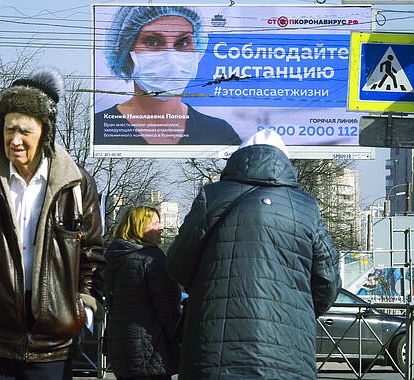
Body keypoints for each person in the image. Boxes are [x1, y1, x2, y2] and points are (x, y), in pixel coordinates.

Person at [0, 67, 105, 379]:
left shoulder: (75, 185)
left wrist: (83, 307)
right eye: (9, 129)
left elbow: (91, 255)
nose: (15, 140)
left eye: (25, 131)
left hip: (53, 344)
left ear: (45, 132)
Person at [166, 129, 341, 379]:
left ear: (239, 158)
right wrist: (294, 307)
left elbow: (177, 265)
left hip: (214, 350)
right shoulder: (306, 207)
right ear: (285, 162)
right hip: (287, 353)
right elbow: (327, 283)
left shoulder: (211, 197)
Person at [94, 6, 241, 145]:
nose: (171, 58)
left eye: (183, 42)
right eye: (152, 41)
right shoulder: (100, 129)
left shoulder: (220, 133)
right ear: (126, 51)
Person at [104, 206, 181, 380]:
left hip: (120, 343)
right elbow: (167, 308)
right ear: (139, 226)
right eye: (155, 223)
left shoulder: (114, 256)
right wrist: (179, 338)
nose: (161, 227)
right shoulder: (152, 258)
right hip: (151, 346)